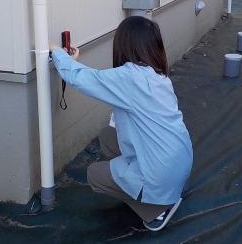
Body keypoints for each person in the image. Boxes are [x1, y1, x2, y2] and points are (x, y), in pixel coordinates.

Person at [50, 16, 193, 232]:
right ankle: (163, 190)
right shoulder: (157, 76)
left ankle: (155, 209)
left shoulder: (130, 77)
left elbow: (81, 79)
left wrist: (55, 50)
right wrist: (72, 61)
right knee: (108, 136)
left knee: (95, 175)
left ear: (124, 44)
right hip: (179, 163)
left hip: (160, 174)